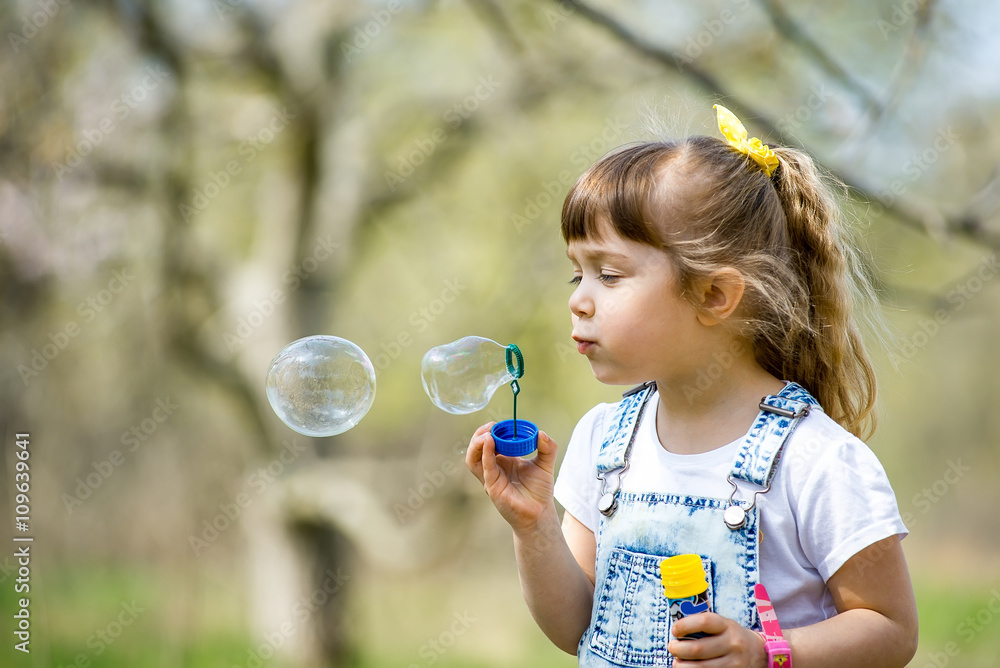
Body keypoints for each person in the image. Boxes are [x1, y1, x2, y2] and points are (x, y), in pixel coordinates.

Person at [466, 105, 918, 667]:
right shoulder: (603, 442)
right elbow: (575, 626)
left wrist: (767, 653)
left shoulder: (816, 461)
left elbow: (891, 629)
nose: (578, 299)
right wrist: (532, 527)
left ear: (712, 296)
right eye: (575, 272)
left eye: (608, 275)